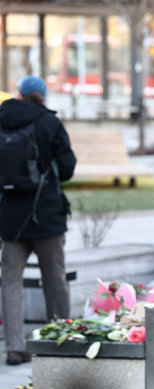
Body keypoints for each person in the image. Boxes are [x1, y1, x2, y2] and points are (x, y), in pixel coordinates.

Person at [0, 76, 76, 365]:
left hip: (10, 217)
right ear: (42, 97)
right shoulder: (50, 123)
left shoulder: (2, 120)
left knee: (10, 281)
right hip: (46, 214)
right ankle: (60, 338)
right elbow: (67, 168)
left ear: (19, 95)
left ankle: (15, 347)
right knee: (54, 279)